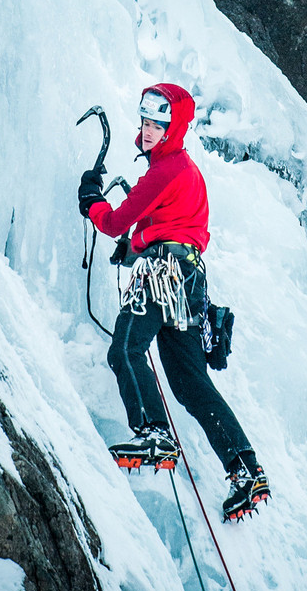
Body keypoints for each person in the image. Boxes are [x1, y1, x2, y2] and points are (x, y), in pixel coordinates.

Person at [78, 83, 269, 520]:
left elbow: (115, 221)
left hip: (163, 275)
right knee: (189, 384)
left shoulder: (166, 169)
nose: (147, 131)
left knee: (125, 349)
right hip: (188, 282)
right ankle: (245, 468)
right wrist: (135, 247)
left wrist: (92, 202)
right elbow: (174, 227)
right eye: (145, 123)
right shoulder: (186, 171)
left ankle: (154, 433)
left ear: (172, 129)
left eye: (156, 126)